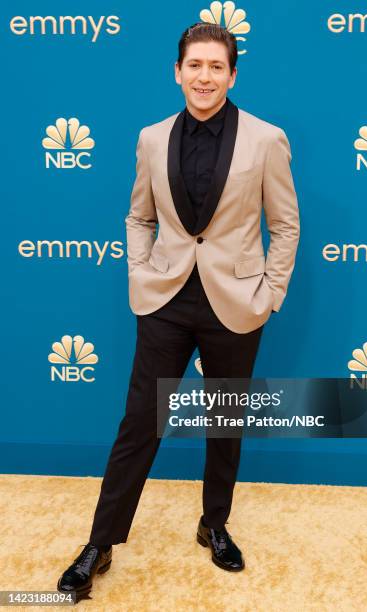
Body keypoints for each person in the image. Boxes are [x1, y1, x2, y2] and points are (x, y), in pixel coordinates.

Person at [57, 22, 300, 600]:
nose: (205, 77)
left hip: (236, 302)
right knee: (140, 421)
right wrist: (142, 274)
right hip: (165, 299)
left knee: (224, 419)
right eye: (195, 65)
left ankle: (214, 523)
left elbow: (285, 224)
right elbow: (138, 216)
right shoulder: (150, 137)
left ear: (233, 74)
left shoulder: (266, 139)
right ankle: (101, 543)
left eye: (217, 67)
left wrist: (270, 294)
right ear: (177, 71)